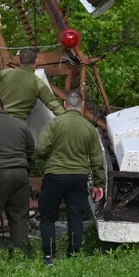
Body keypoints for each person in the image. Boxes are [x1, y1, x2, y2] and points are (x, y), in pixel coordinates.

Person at [35, 90, 105, 265]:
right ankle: (73, 257)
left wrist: (49, 158)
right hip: (78, 177)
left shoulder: (54, 124)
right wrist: (99, 183)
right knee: (75, 218)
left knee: (48, 216)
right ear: (81, 106)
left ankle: (49, 256)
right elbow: (97, 159)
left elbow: (40, 148)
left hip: (54, 176)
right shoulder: (89, 128)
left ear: (65, 105)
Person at [0, 96, 35, 252]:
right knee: (19, 216)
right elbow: (31, 149)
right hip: (20, 174)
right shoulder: (20, 125)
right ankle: (21, 255)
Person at [0, 48, 62, 120]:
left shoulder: (6, 73)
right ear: (35, 62)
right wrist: (69, 118)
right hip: (18, 124)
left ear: (19, 61)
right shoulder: (37, 83)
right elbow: (53, 104)